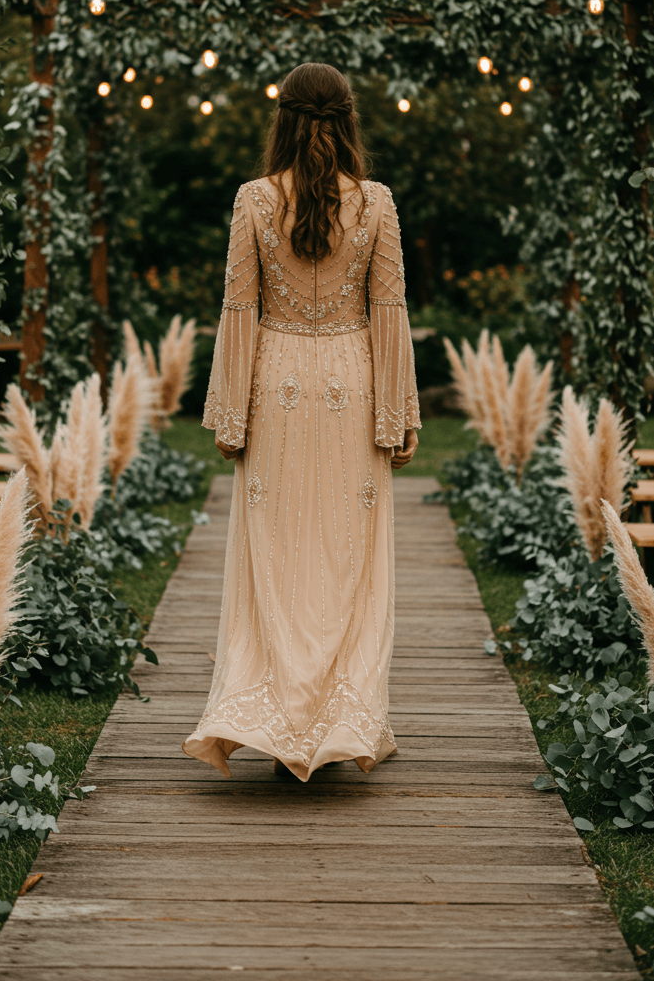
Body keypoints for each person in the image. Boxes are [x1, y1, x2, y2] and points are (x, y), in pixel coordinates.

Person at [182, 62, 421, 782]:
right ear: (349, 121)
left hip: (274, 385)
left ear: (280, 120)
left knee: (275, 557)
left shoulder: (254, 200)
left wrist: (228, 411)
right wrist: (397, 414)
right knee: (350, 558)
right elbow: (389, 311)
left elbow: (240, 309)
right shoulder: (376, 202)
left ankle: (278, 712)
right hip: (351, 382)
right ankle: (342, 718)